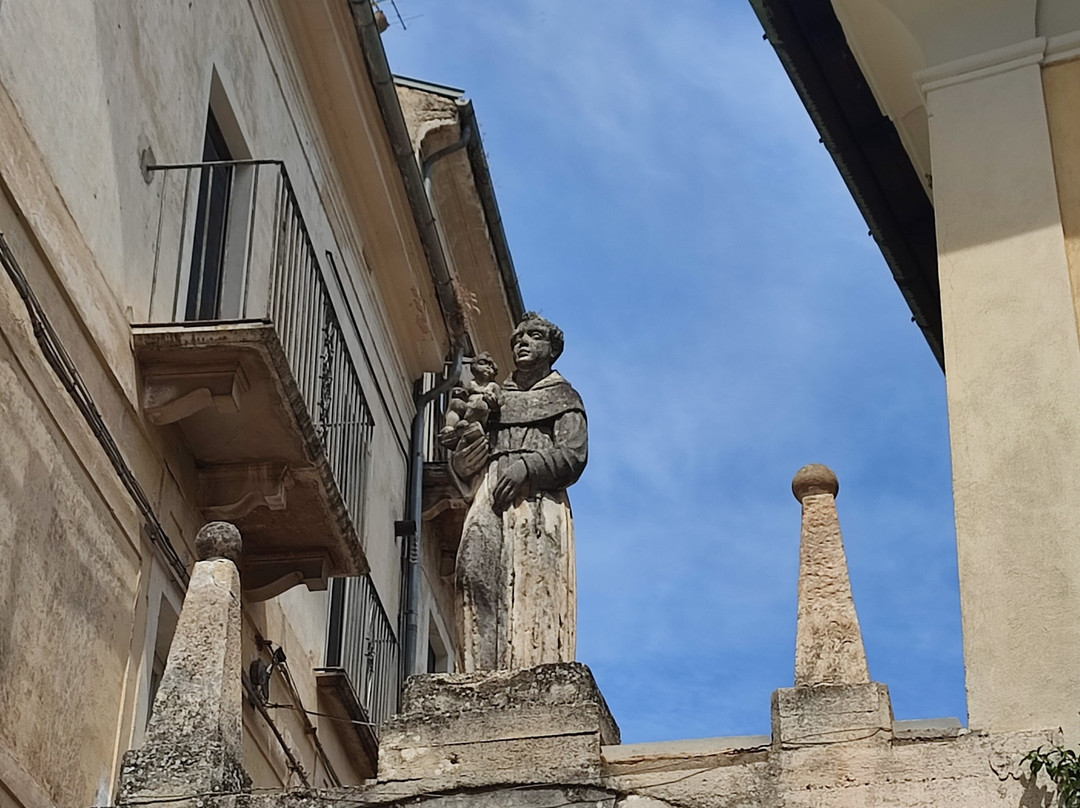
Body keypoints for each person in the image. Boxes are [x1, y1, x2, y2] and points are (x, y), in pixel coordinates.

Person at [451, 312, 587, 670]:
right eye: (517, 338)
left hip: (538, 501)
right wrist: (464, 461)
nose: (522, 342)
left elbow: (574, 454)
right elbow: (465, 460)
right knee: (472, 569)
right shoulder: (494, 397)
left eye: (533, 336)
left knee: (533, 584)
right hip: (490, 491)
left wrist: (528, 468)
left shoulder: (564, 397)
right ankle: (478, 674)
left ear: (552, 349)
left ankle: (530, 670)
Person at [438, 352, 500, 447]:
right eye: (483, 364)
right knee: (455, 403)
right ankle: (450, 426)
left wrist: (492, 400)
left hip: (480, 412)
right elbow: (465, 393)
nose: (487, 368)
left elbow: (498, 403)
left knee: (481, 406)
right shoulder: (471, 383)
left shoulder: (493, 386)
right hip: (467, 408)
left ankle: (469, 424)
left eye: (491, 367)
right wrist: (460, 393)